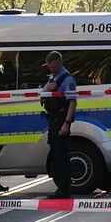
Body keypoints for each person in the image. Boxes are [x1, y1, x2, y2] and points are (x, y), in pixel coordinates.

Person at [42, 51, 77, 199]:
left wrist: (66, 124)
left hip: (61, 119)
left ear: (60, 63)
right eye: (50, 67)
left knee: (62, 157)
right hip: (53, 119)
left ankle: (65, 190)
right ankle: (60, 188)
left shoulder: (67, 79)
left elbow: (72, 102)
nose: (52, 69)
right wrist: (46, 89)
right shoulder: (53, 78)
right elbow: (42, 93)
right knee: (56, 157)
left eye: (54, 67)